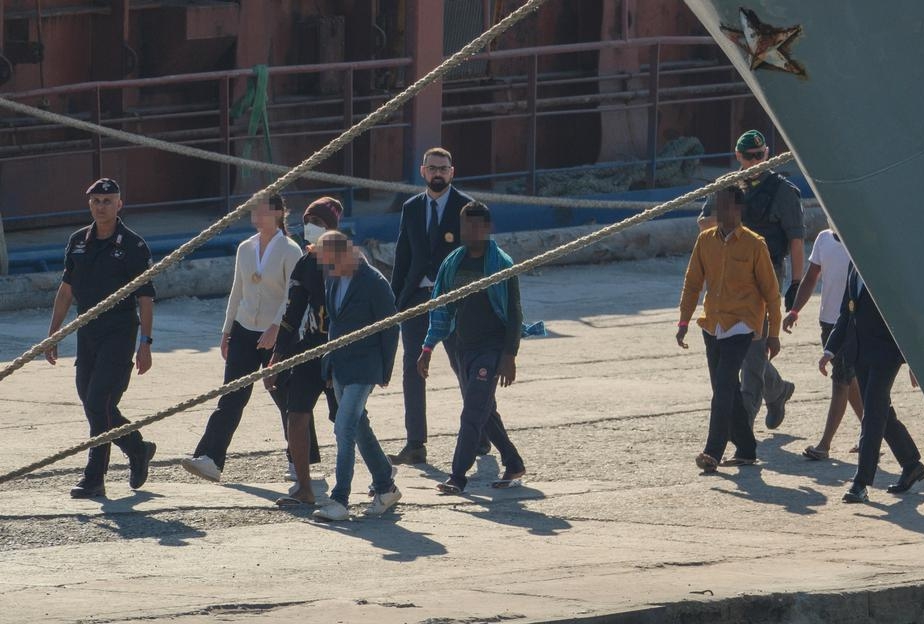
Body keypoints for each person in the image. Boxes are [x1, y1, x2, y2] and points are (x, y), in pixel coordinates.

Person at [418, 202, 544, 494]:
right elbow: (441, 308)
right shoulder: (453, 263)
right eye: (466, 225)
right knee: (485, 410)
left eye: (477, 226)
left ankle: (457, 476)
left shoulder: (502, 264)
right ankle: (513, 462)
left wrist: (509, 356)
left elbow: (514, 313)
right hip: (463, 347)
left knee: (472, 411)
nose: (470, 231)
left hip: (492, 348)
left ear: (488, 228)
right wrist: (428, 348)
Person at [45, 178, 157, 498]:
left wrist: (146, 343)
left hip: (119, 332)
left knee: (99, 402)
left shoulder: (133, 245)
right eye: (96, 201)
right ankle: (136, 447)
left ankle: (94, 477)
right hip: (88, 331)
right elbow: (66, 290)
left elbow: (145, 298)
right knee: (92, 401)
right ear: (89, 204)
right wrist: (53, 334)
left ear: (119, 204)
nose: (101, 206)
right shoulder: (78, 241)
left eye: (108, 201)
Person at [182, 194, 302, 483]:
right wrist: (227, 330)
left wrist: (276, 328)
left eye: (261, 210)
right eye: (253, 210)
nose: (255, 215)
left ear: (278, 213)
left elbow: (292, 295)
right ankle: (210, 457)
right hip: (244, 329)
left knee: (286, 397)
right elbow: (237, 290)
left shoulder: (290, 250)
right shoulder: (245, 247)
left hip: (277, 332)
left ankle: (300, 460)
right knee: (232, 394)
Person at [389, 147, 489, 465]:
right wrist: (396, 299)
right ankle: (415, 443)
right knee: (413, 368)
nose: (437, 173)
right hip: (417, 299)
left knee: (465, 366)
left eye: (443, 169)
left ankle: (481, 434)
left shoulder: (467, 208)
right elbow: (403, 255)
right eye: (432, 168)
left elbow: (479, 258)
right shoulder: (411, 208)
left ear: (452, 172)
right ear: (423, 171)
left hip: (455, 301)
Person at [698, 130, 803, 430]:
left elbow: (796, 241)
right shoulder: (727, 186)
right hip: (728, 276)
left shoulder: (783, 191)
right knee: (737, 345)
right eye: (750, 156)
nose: (756, 161)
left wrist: (796, 284)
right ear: (738, 156)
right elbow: (703, 224)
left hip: (766, 274)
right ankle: (778, 390)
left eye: (760, 155)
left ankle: (743, 427)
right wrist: (730, 216)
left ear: (767, 154)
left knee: (754, 346)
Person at [678, 188, 782, 473]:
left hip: (742, 324)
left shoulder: (754, 245)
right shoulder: (705, 241)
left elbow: (771, 292)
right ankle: (746, 448)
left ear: (739, 209)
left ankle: (713, 451)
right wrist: (683, 321)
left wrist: (773, 333)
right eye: (719, 206)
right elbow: (692, 283)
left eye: (728, 206)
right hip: (712, 324)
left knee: (724, 386)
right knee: (726, 389)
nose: (723, 212)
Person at [313, 232, 401, 521]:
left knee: (344, 428)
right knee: (359, 428)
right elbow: (334, 324)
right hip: (340, 365)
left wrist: (385, 370)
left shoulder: (375, 283)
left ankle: (340, 499)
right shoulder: (333, 278)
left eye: (330, 261)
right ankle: (385, 485)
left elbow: (390, 328)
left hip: (365, 368)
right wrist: (328, 363)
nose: (327, 268)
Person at [821, 265, 924, 503]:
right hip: (860, 352)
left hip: (886, 354)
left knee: (873, 414)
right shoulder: (853, 265)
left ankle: (861, 482)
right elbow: (846, 313)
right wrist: (829, 350)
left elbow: (906, 313)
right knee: (880, 411)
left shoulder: (885, 266)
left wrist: (914, 359)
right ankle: (911, 464)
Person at [266, 197, 343, 506]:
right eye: (308, 221)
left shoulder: (347, 262)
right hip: (310, 348)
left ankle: (382, 478)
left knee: (348, 422)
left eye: (318, 223)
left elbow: (360, 313)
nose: (310, 227)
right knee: (296, 415)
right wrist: (277, 359)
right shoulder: (305, 263)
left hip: (340, 350)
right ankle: (304, 487)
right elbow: (292, 314)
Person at [782, 228, 863, 459]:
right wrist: (795, 310)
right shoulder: (823, 238)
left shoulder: (857, 240)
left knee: (840, 381)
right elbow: (811, 277)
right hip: (827, 322)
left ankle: (824, 445)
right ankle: (871, 434)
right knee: (849, 379)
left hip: (852, 323)